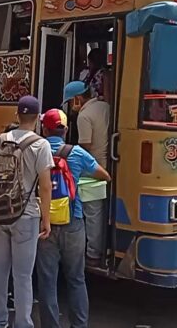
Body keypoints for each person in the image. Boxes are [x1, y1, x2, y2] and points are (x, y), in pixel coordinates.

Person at [37, 108, 111, 328]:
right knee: (76, 279)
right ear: (66, 130)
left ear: (44, 128)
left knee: (47, 281)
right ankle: (79, 325)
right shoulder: (76, 153)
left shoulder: (36, 150)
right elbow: (104, 175)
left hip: (44, 224)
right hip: (73, 220)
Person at [0, 96, 53, 328]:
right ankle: (23, 324)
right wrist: (47, 219)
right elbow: (45, 186)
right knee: (23, 275)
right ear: (38, 117)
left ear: (17, 115)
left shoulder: (0, 140)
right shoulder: (41, 144)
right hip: (26, 215)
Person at [63, 80, 110, 265]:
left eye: (70, 102)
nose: (70, 107)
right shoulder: (105, 106)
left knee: (91, 211)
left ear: (77, 99)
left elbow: (84, 149)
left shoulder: (84, 116)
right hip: (108, 163)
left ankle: (92, 252)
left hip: (93, 169)